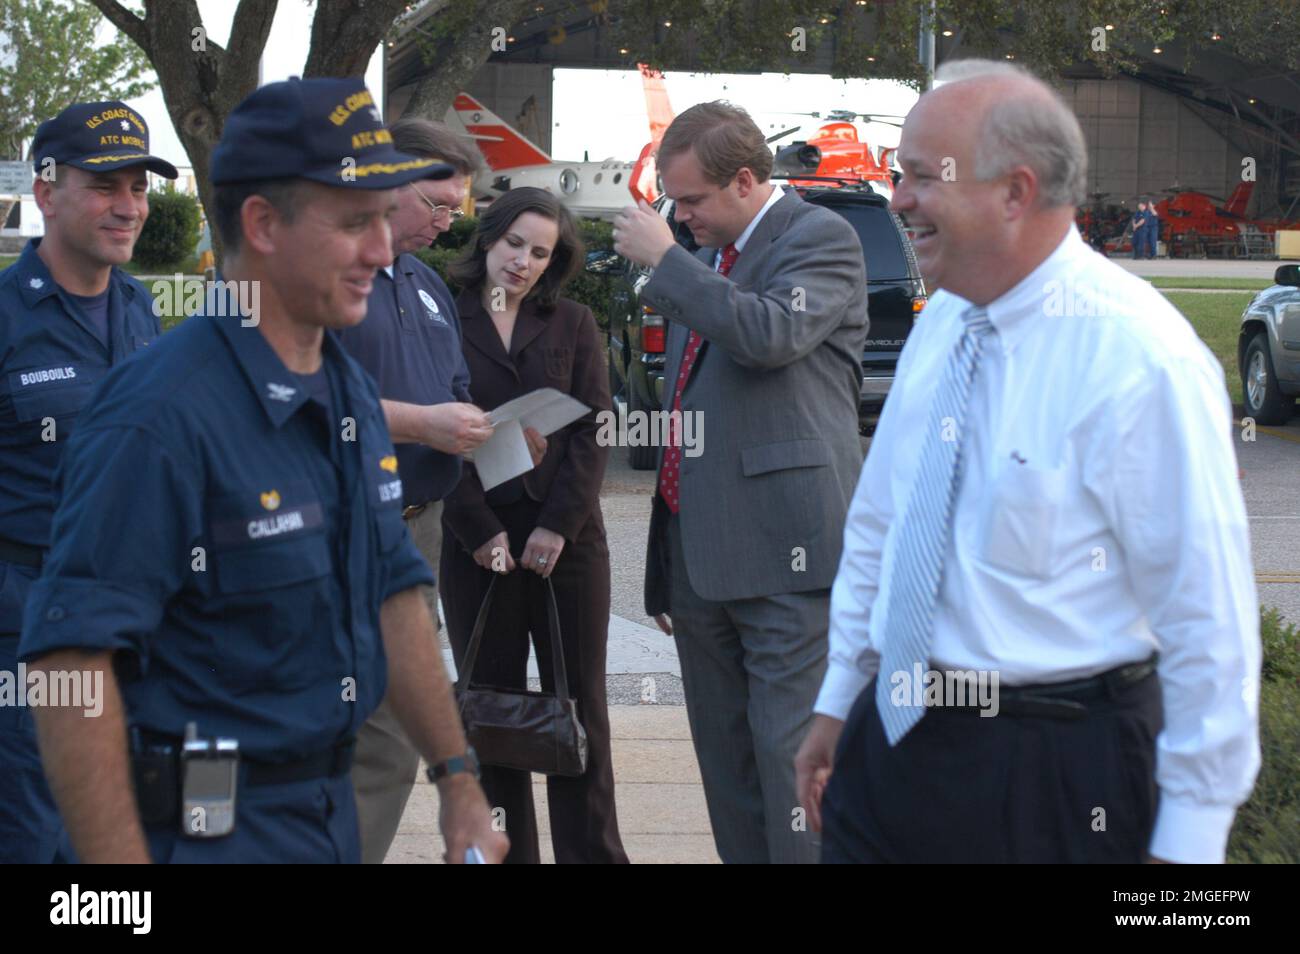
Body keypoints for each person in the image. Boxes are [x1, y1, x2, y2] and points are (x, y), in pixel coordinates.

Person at [18, 77, 507, 864]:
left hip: (319, 818)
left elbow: (393, 589)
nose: (382, 252)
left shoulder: (341, 382)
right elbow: (72, 670)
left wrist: (455, 775)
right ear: (263, 223)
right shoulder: (158, 415)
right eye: (355, 224)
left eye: (385, 220)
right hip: (197, 832)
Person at [796, 58, 1260, 864]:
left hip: (1056, 775)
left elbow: (1206, 619)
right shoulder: (944, 323)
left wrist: (1189, 849)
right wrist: (841, 700)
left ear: (1015, 192)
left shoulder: (1139, 361)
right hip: (893, 743)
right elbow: (883, 526)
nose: (898, 199)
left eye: (918, 178)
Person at [613, 102, 869, 863]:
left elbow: (768, 335)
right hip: (701, 561)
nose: (680, 215)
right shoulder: (710, 257)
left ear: (748, 180)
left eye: (691, 200)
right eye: (673, 202)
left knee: (791, 768)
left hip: (787, 554)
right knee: (726, 774)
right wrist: (670, 566)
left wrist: (668, 261)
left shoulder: (821, 237)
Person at [336, 118, 533, 865]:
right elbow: (297, 398)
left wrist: (496, 435)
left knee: (388, 737)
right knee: (329, 727)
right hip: (341, 524)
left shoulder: (423, 286)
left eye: (459, 209)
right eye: (437, 204)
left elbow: (453, 394)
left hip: (416, 531)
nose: (449, 222)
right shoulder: (333, 277)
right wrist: (421, 423)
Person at [0, 100, 177, 864]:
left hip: (129, 625)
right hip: (24, 633)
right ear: (46, 191)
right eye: (106, 186)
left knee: (115, 836)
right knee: (32, 836)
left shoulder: (139, 309)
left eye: (138, 188)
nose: (129, 207)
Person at [440, 186, 627, 864]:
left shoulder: (574, 322)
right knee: (489, 712)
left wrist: (557, 526)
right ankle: (501, 855)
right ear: (489, 239)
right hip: (476, 542)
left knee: (580, 711)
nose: (523, 261)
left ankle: (592, 856)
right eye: (515, 243)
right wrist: (479, 530)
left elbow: (593, 427)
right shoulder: (443, 318)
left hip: (568, 544)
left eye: (540, 252)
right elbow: (437, 436)